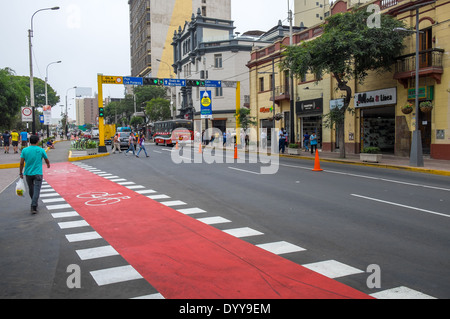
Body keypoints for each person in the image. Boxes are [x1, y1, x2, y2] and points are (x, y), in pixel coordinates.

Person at [19, 135, 50, 214]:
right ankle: (33, 205)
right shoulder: (41, 150)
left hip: (28, 173)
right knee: (37, 190)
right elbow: (46, 160)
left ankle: (34, 203)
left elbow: (22, 163)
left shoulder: (24, 150)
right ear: (37, 141)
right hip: (38, 173)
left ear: (29, 141)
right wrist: (48, 165)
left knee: (31, 188)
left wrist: (20, 172)